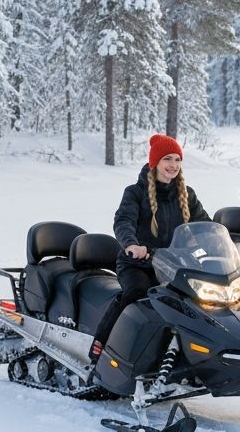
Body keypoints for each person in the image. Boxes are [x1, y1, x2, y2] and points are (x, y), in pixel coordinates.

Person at [90, 134, 211, 359]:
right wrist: (132, 244)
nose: (173, 165)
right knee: (136, 293)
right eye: (167, 159)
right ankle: (101, 346)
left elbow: (204, 224)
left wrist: (218, 241)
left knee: (198, 300)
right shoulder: (135, 192)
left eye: (177, 159)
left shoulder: (187, 194)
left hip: (174, 266)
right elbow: (123, 221)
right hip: (138, 264)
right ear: (155, 162)